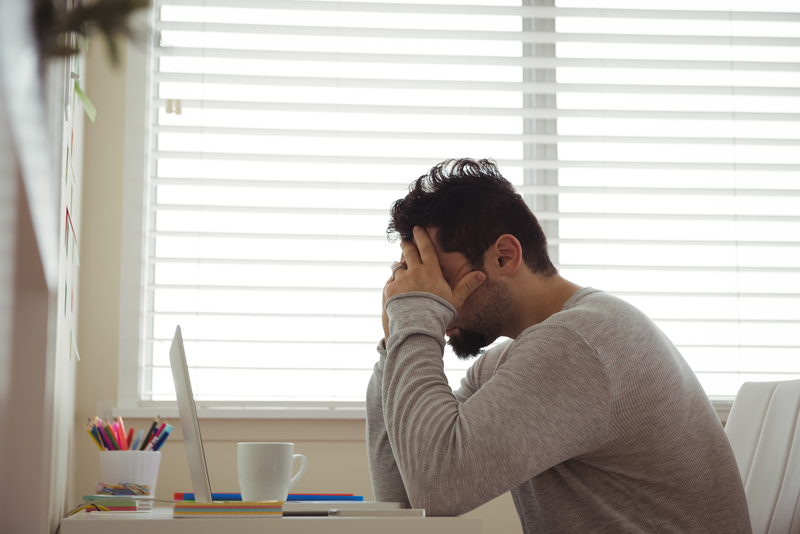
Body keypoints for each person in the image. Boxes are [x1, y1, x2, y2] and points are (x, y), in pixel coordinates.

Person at [366, 158, 751, 533]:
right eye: (417, 280)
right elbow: (406, 495)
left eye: (438, 278)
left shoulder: (578, 344)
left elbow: (437, 488)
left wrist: (416, 317)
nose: (435, 300)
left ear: (504, 256)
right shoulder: (520, 358)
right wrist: (393, 344)